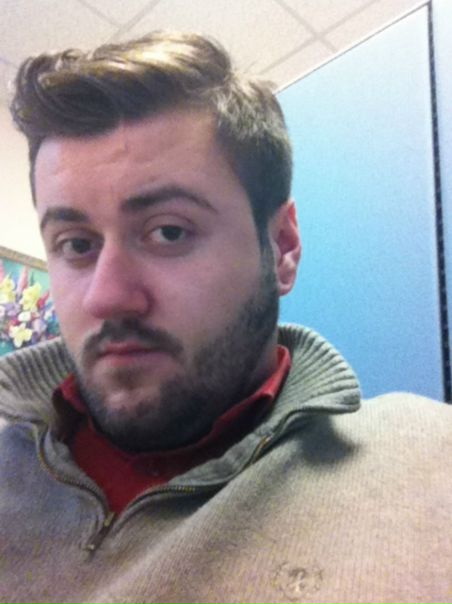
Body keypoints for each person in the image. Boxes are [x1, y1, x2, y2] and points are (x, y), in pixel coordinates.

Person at [0, 31, 451, 604]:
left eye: (169, 232)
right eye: (76, 244)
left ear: (282, 248)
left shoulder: (429, 470)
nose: (106, 297)